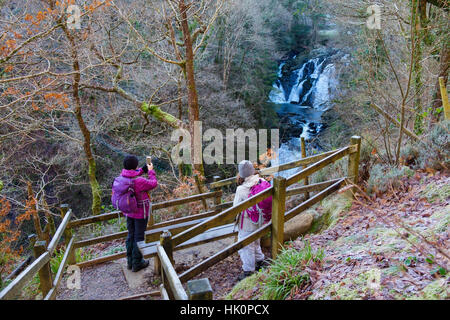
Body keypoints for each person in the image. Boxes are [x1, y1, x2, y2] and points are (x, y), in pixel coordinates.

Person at [121, 155, 158, 272]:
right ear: (135, 165)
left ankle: (130, 262)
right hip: (140, 213)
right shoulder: (139, 181)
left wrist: (144, 169)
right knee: (139, 237)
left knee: (130, 236)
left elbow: (134, 174)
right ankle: (137, 263)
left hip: (128, 212)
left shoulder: (123, 177)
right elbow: (153, 183)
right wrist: (151, 171)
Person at [234, 160, 269, 280]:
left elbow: (235, 207)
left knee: (245, 246)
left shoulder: (241, 189)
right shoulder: (262, 181)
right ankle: (260, 261)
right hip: (261, 220)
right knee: (255, 241)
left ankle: (248, 271)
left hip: (248, 222)